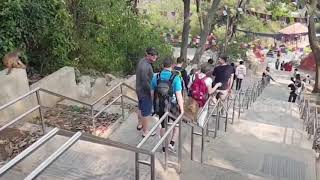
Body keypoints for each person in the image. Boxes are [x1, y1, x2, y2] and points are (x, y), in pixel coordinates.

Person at [151, 57, 184, 152]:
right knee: (177, 124)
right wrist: (182, 109)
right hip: (172, 106)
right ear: (173, 65)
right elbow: (179, 95)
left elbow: (152, 93)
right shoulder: (176, 78)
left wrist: (153, 106)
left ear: (163, 65)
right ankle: (172, 143)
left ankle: (164, 146)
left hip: (161, 105)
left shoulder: (156, 77)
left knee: (163, 126)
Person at [135, 47, 158, 136]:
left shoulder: (142, 61)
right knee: (146, 112)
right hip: (145, 92)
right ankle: (146, 131)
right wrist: (152, 92)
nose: (154, 59)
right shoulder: (145, 67)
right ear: (148, 55)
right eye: (153, 57)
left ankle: (140, 124)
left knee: (140, 108)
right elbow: (145, 82)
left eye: (155, 57)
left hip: (139, 90)